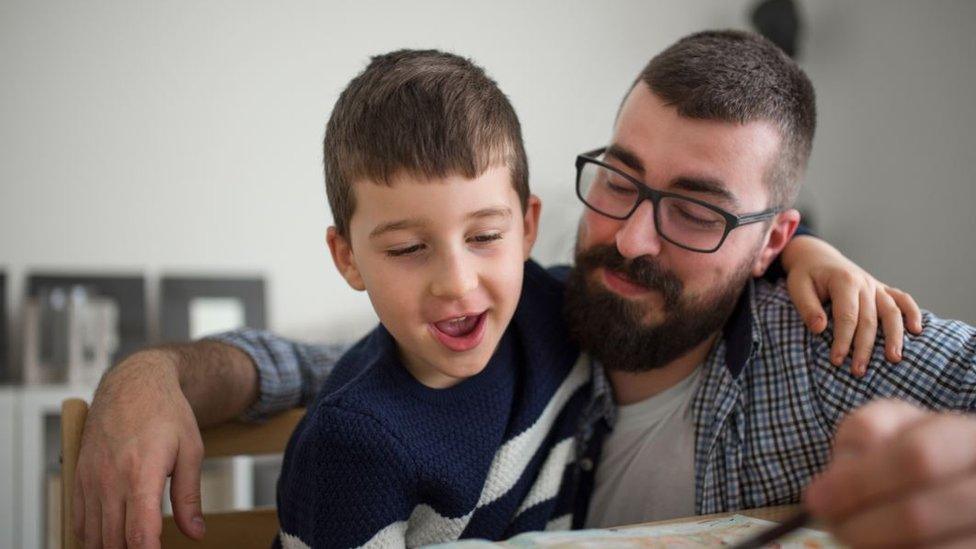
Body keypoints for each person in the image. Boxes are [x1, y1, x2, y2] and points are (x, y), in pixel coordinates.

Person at [72, 31, 970, 549]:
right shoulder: (542, 308)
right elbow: (329, 368)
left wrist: (812, 257)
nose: (631, 234)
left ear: (771, 237)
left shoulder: (831, 344)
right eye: (620, 179)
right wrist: (152, 373)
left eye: (697, 210)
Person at [275, 48, 589, 548]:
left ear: (527, 227)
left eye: (485, 236)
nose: (458, 283)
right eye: (408, 248)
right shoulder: (353, 445)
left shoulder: (562, 312)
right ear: (349, 258)